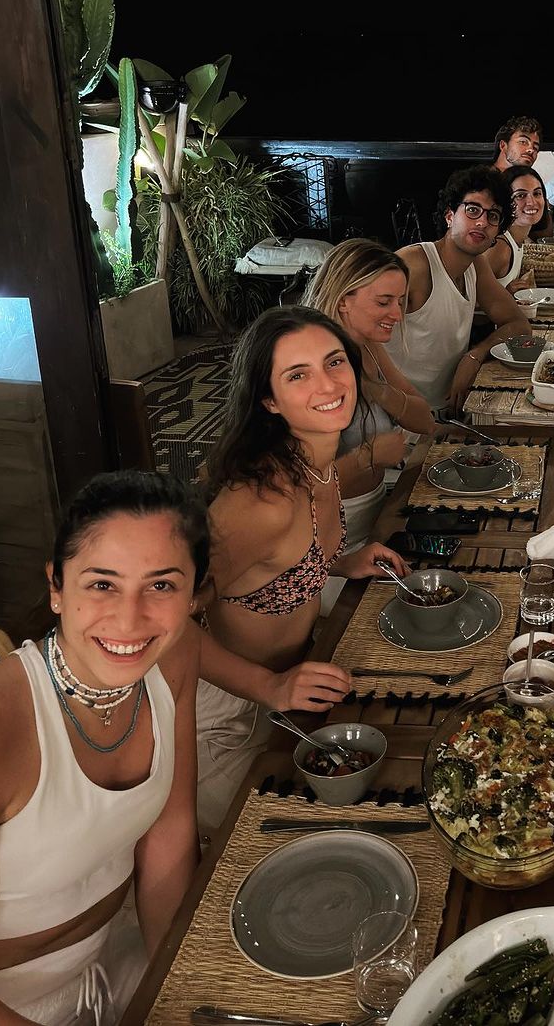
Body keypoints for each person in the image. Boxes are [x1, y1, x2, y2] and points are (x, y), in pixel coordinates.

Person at [0, 470, 205, 1024]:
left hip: (107, 963)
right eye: (102, 584)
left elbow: (169, 840)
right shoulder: (2, 721)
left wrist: (171, 993)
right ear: (56, 588)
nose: (130, 619)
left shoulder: (174, 659)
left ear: (193, 594)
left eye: (162, 586)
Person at [196, 307, 409, 831]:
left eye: (334, 362)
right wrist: (269, 687)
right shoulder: (261, 501)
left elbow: (283, 563)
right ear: (269, 400)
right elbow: (164, 625)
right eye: (298, 375)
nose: (328, 384)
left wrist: (340, 561)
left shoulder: (316, 463)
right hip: (229, 714)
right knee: (334, 827)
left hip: (298, 681)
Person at [306, 241, 436, 608]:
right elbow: (295, 493)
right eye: (384, 302)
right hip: (327, 548)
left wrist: (376, 390)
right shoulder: (312, 369)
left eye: (400, 302)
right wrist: (369, 455)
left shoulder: (366, 346)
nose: (397, 314)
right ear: (343, 300)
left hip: (376, 519)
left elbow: (424, 419)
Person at [391, 166, 531, 412]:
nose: (482, 222)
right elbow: (355, 334)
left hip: (449, 411)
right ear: (449, 215)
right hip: (400, 416)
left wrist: (475, 355)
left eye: (493, 216)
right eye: (472, 210)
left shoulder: (475, 266)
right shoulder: (414, 264)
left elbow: (518, 324)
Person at [485, 164, 547, 291]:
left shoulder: (520, 240)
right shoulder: (500, 247)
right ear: (504, 202)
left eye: (537, 193)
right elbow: (468, 295)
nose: (532, 202)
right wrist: (506, 294)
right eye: (520, 195)